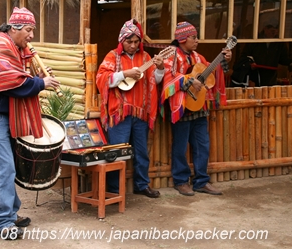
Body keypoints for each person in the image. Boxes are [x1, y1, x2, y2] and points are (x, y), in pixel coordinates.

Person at [0, 7, 60, 239]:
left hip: (6, 114)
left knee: (8, 166)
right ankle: (3, 223)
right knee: (3, 167)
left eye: (32, 30)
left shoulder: (15, 48)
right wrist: (40, 83)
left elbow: (19, 76)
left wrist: (37, 77)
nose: (31, 36)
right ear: (14, 28)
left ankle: (9, 213)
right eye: (28, 30)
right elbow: (10, 81)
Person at [158, 21, 232, 196]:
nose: (197, 40)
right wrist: (188, 80)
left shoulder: (198, 58)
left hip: (199, 107)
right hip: (182, 108)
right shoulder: (171, 56)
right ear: (183, 39)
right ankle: (181, 181)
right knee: (180, 146)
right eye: (193, 37)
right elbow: (168, 79)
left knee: (202, 145)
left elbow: (211, 76)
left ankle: (201, 181)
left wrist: (223, 61)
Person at [96, 19, 164, 198]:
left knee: (141, 151)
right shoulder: (113, 56)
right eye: (129, 42)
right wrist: (124, 74)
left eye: (136, 42)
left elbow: (154, 81)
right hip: (119, 113)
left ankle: (142, 185)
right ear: (121, 41)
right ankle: (113, 189)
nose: (133, 45)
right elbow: (101, 79)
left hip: (140, 112)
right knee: (116, 152)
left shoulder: (146, 58)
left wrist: (161, 68)